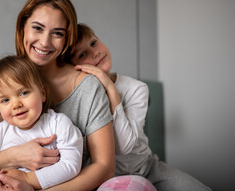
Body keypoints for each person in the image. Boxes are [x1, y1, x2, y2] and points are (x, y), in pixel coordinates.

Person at [0, 0, 155, 191]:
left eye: (57, 34)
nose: (44, 42)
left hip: (69, 186)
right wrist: (16, 156)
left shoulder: (87, 88)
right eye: (38, 28)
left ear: (66, 39)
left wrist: (31, 186)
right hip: (6, 182)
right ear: (23, 27)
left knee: (136, 186)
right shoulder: (1, 84)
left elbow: (104, 167)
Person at [67, 23, 211, 191]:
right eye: (83, 54)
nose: (95, 52)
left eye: (94, 43)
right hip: (105, 177)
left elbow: (124, 146)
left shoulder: (136, 88)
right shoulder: (82, 98)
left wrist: (111, 90)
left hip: (146, 168)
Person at [0, 55, 83, 190]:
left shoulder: (58, 124)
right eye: (5, 100)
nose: (16, 104)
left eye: (24, 93)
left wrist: (27, 179)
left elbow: (71, 165)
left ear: (42, 93)